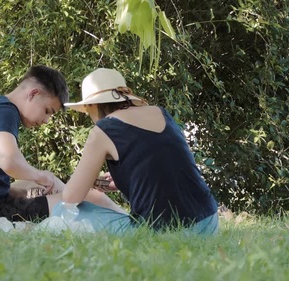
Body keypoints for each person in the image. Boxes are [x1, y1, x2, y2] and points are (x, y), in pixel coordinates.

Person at [0, 65, 123, 226]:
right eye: (47, 111)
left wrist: (35, 184)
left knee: (48, 184)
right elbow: (8, 159)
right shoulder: (4, 111)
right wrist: (39, 175)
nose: (46, 121)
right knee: (80, 197)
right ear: (33, 94)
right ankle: (129, 222)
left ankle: (127, 218)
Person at [52, 68, 219, 235]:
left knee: (64, 212)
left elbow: (71, 198)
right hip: (209, 222)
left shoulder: (104, 129)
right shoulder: (160, 112)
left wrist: (81, 183)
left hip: (162, 231)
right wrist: (123, 180)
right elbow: (168, 165)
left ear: (91, 105)